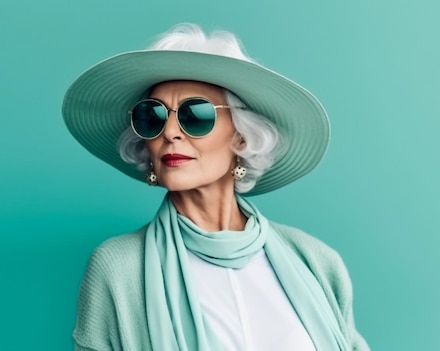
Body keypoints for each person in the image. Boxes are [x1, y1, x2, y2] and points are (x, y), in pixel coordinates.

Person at [62, 23, 369, 351]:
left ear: (241, 135)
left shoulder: (316, 262)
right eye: (152, 117)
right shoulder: (118, 267)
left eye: (195, 115)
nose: (170, 133)